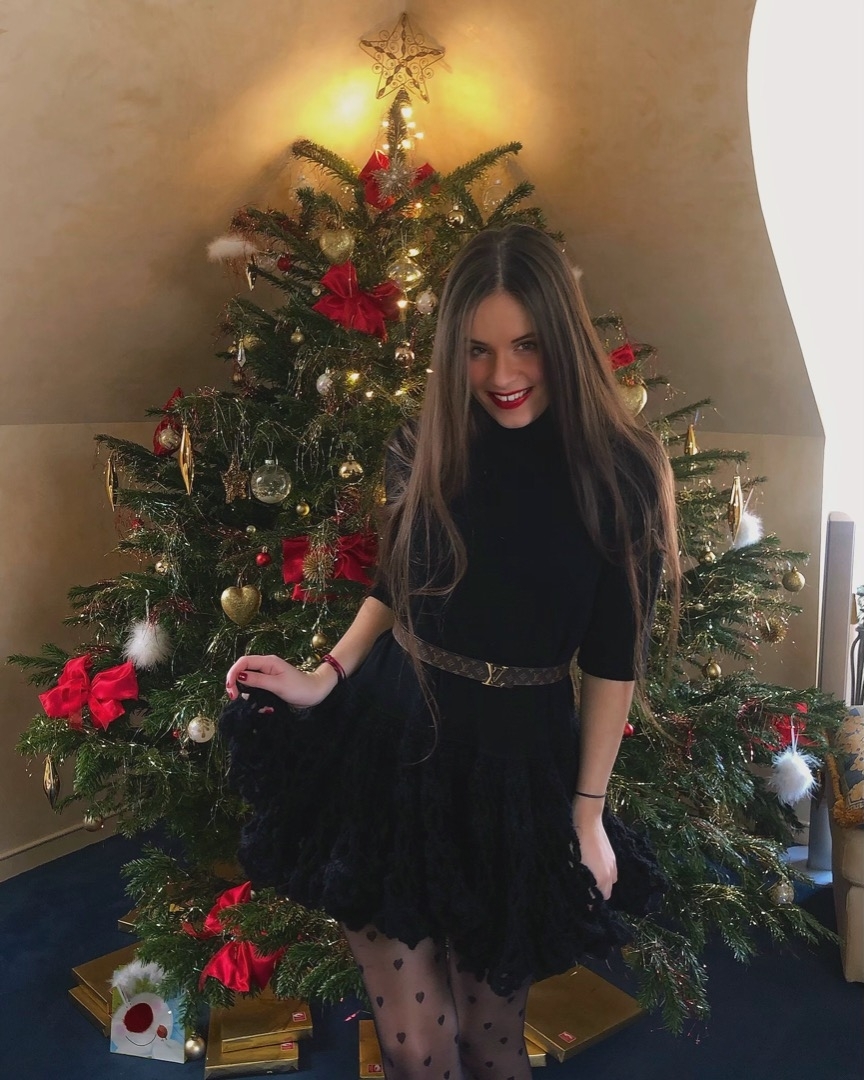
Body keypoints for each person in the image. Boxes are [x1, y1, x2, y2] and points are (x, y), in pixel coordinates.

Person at [221, 224, 679, 1080]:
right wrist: (325, 675)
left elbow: (614, 661)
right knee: (415, 1046)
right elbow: (396, 585)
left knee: (491, 1038)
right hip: (391, 739)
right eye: (476, 351)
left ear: (562, 339)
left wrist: (587, 813)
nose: (502, 375)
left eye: (525, 345)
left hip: (516, 767)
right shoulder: (422, 444)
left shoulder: (622, 472)